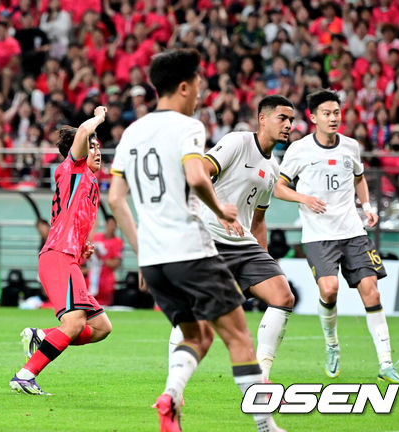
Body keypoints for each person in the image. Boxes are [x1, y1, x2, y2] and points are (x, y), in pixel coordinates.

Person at [107, 49, 283, 432]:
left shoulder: (132, 131)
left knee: (196, 335)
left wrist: (140, 253)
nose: (202, 93)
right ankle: (266, 426)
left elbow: (115, 199)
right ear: (184, 86)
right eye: (200, 84)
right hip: (190, 249)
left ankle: (170, 397)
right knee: (238, 337)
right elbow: (196, 175)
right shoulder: (188, 126)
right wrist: (220, 208)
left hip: (155, 260)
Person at [274, 89, 399, 384]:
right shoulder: (299, 150)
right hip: (319, 235)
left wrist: (368, 206)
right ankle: (332, 344)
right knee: (330, 289)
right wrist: (303, 199)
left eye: (336, 113)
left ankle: (385, 363)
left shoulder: (350, 146)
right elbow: (279, 187)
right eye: (326, 113)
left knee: (371, 290)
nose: (333, 118)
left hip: (352, 231)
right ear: (312, 118)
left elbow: (359, 178)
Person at [168, 95, 297, 383]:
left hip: (245, 244)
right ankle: (173, 387)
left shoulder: (273, 168)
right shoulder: (238, 142)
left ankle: (262, 378)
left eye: (291, 120)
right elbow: (201, 169)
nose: (289, 125)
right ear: (262, 119)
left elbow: (259, 218)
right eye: (283, 118)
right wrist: (221, 211)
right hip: (212, 236)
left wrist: (264, 260)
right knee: (196, 316)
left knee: (283, 295)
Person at [9, 106, 112, 396]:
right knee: (75, 321)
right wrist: (99, 118)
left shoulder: (90, 181)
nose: (96, 151)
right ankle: (25, 374)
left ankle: (44, 337)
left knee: (102, 327)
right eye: (91, 146)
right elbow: (82, 131)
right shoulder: (73, 169)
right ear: (78, 152)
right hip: (57, 256)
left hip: (69, 258)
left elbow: (70, 219)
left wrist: (83, 248)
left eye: (98, 146)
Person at [87, 216, 123, 306]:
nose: (112, 227)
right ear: (106, 225)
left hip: (107, 280)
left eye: (114, 225)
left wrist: (101, 258)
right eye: (110, 224)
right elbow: (88, 243)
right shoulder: (97, 237)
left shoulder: (118, 242)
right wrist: (94, 225)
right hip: (93, 277)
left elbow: (115, 263)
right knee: (90, 304)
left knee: (104, 306)